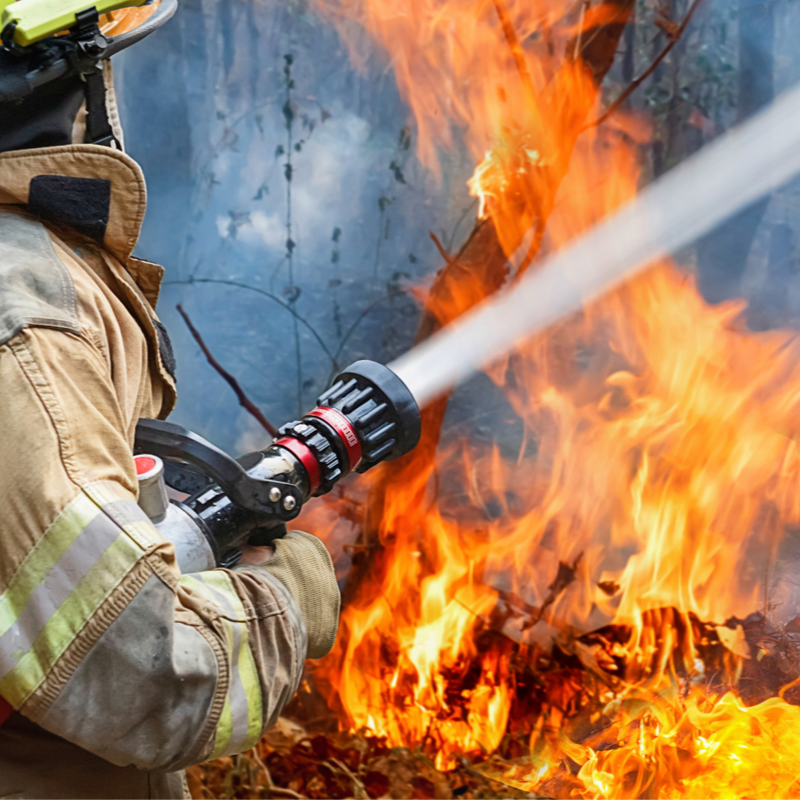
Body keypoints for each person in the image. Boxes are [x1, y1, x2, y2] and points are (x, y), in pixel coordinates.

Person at [0, 2, 340, 797]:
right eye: (105, 65)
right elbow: (149, 676)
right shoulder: (27, 321)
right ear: (53, 85)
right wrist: (292, 592)